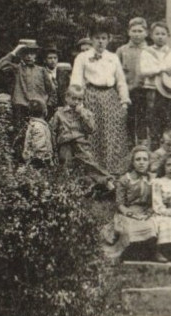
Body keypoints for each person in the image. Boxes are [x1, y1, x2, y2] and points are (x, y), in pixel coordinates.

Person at [69, 22, 130, 175]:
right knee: (92, 132)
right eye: (97, 38)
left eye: (104, 38)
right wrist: (78, 103)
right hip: (90, 96)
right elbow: (76, 81)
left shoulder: (113, 57)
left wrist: (124, 101)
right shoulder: (82, 57)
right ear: (91, 39)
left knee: (111, 133)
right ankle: (93, 171)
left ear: (109, 39)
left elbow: (121, 81)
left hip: (110, 97)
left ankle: (111, 171)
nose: (100, 41)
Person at [49, 85, 114, 191]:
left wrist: (82, 114)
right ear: (66, 98)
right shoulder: (59, 113)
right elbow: (53, 130)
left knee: (89, 163)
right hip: (65, 144)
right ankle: (71, 188)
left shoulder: (86, 113)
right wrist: (54, 146)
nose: (76, 102)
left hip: (81, 143)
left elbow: (91, 129)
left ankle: (107, 182)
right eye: (73, 98)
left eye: (80, 99)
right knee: (66, 164)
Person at [141, 22, 171, 149]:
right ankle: (155, 153)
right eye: (157, 34)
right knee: (154, 124)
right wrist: (162, 69)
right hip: (153, 92)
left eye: (163, 34)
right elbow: (144, 71)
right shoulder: (146, 52)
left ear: (168, 36)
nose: (160, 37)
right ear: (151, 35)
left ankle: (170, 153)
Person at [0, 38, 54, 135]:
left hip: (38, 109)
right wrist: (15, 51)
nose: (29, 56)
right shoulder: (16, 69)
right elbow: (1, 65)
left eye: (32, 53)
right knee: (20, 135)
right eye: (25, 53)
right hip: (21, 108)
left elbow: (51, 91)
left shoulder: (41, 70)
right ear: (21, 55)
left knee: (38, 134)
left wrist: (47, 105)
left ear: (35, 55)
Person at [113, 147, 158, 260]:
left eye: (145, 159)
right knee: (129, 229)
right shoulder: (125, 179)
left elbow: (157, 200)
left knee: (152, 226)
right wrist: (130, 213)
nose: (141, 162)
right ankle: (131, 253)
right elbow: (119, 203)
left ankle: (149, 253)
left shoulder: (153, 179)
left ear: (149, 162)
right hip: (129, 212)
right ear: (132, 162)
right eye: (138, 159)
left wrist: (150, 212)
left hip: (147, 211)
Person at [116, 18, 149, 148]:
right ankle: (128, 149)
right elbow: (115, 71)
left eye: (140, 31)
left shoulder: (150, 50)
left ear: (146, 33)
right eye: (134, 31)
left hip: (145, 92)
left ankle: (143, 149)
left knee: (143, 121)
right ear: (128, 32)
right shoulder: (122, 50)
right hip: (127, 92)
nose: (137, 34)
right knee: (127, 120)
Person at [21, 99, 54, 168]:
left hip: (32, 158)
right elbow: (39, 145)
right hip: (39, 160)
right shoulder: (39, 127)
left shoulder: (32, 124)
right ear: (45, 112)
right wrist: (46, 158)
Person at [42, 43, 60, 117]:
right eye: (50, 58)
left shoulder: (62, 73)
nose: (53, 60)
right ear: (45, 60)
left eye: (55, 58)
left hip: (60, 107)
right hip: (46, 106)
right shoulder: (41, 72)